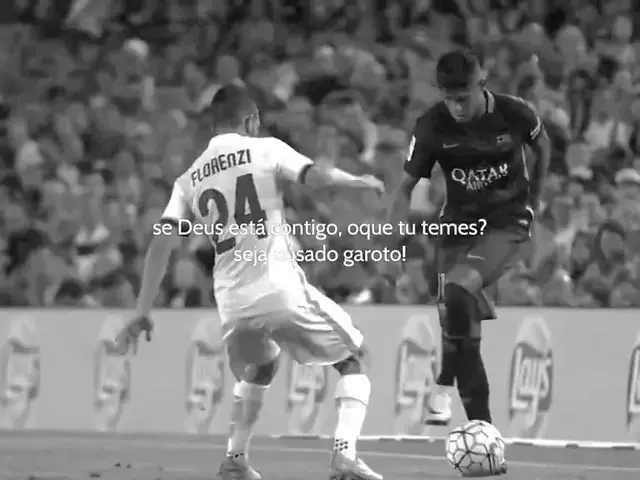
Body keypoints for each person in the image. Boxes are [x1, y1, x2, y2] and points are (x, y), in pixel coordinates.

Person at [115, 84, 385, 480]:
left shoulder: (188, 179)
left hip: (233, 306)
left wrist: (142, 310)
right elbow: (315, 178)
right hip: (278, 288)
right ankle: (344, 454)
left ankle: (235, 459)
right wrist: (356, 181)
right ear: (251, 120)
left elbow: (161, 243)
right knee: (355, 357)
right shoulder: (265, 149)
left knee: (260, 368)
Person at [387, 50, 549, 444]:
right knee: (460, 333)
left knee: (459, 289)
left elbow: (543, 147)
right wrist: (394, 239)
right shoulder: (432, 125)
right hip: (456, 228)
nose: (457, 107)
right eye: (450, 99)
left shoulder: (515, 113)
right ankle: (486, 437)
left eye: (464, 98)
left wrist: (536, 199)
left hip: (506, 222)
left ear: (482, 84)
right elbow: (405, 187)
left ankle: (443, 384)